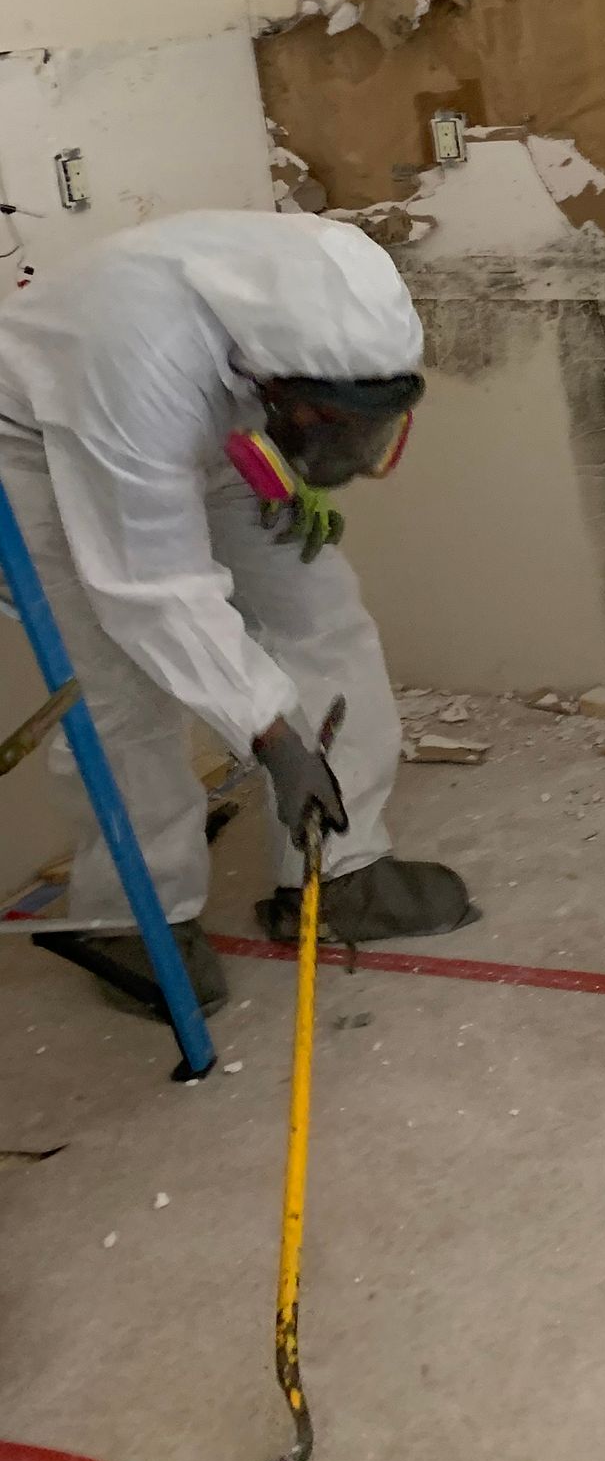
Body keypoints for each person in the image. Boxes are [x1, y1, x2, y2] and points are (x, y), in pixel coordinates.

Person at [0, 210, 474, 1021]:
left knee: (318, 609)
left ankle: (337, 872)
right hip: (46, 440)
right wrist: (271, 735)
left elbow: (289, 411)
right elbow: (152, 591)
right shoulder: (135, 355)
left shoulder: (328, 307)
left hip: (215, 421)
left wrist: (301, 472)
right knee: (120, 685)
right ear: (278, 388)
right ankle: (130, 916)